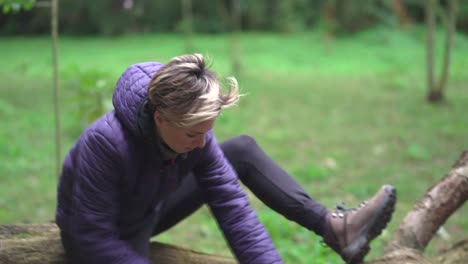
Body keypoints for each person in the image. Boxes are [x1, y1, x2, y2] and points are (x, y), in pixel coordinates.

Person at [55, 53, 396, 264]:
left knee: (241, 150)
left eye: (207, 131)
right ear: (159, 118)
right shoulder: (106, 143)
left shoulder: (191, 133)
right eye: (193, 134)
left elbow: (233, 206)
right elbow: (91, 238)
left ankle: (339, 229)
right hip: (102, 230)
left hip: (148, 208)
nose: (203, 142)